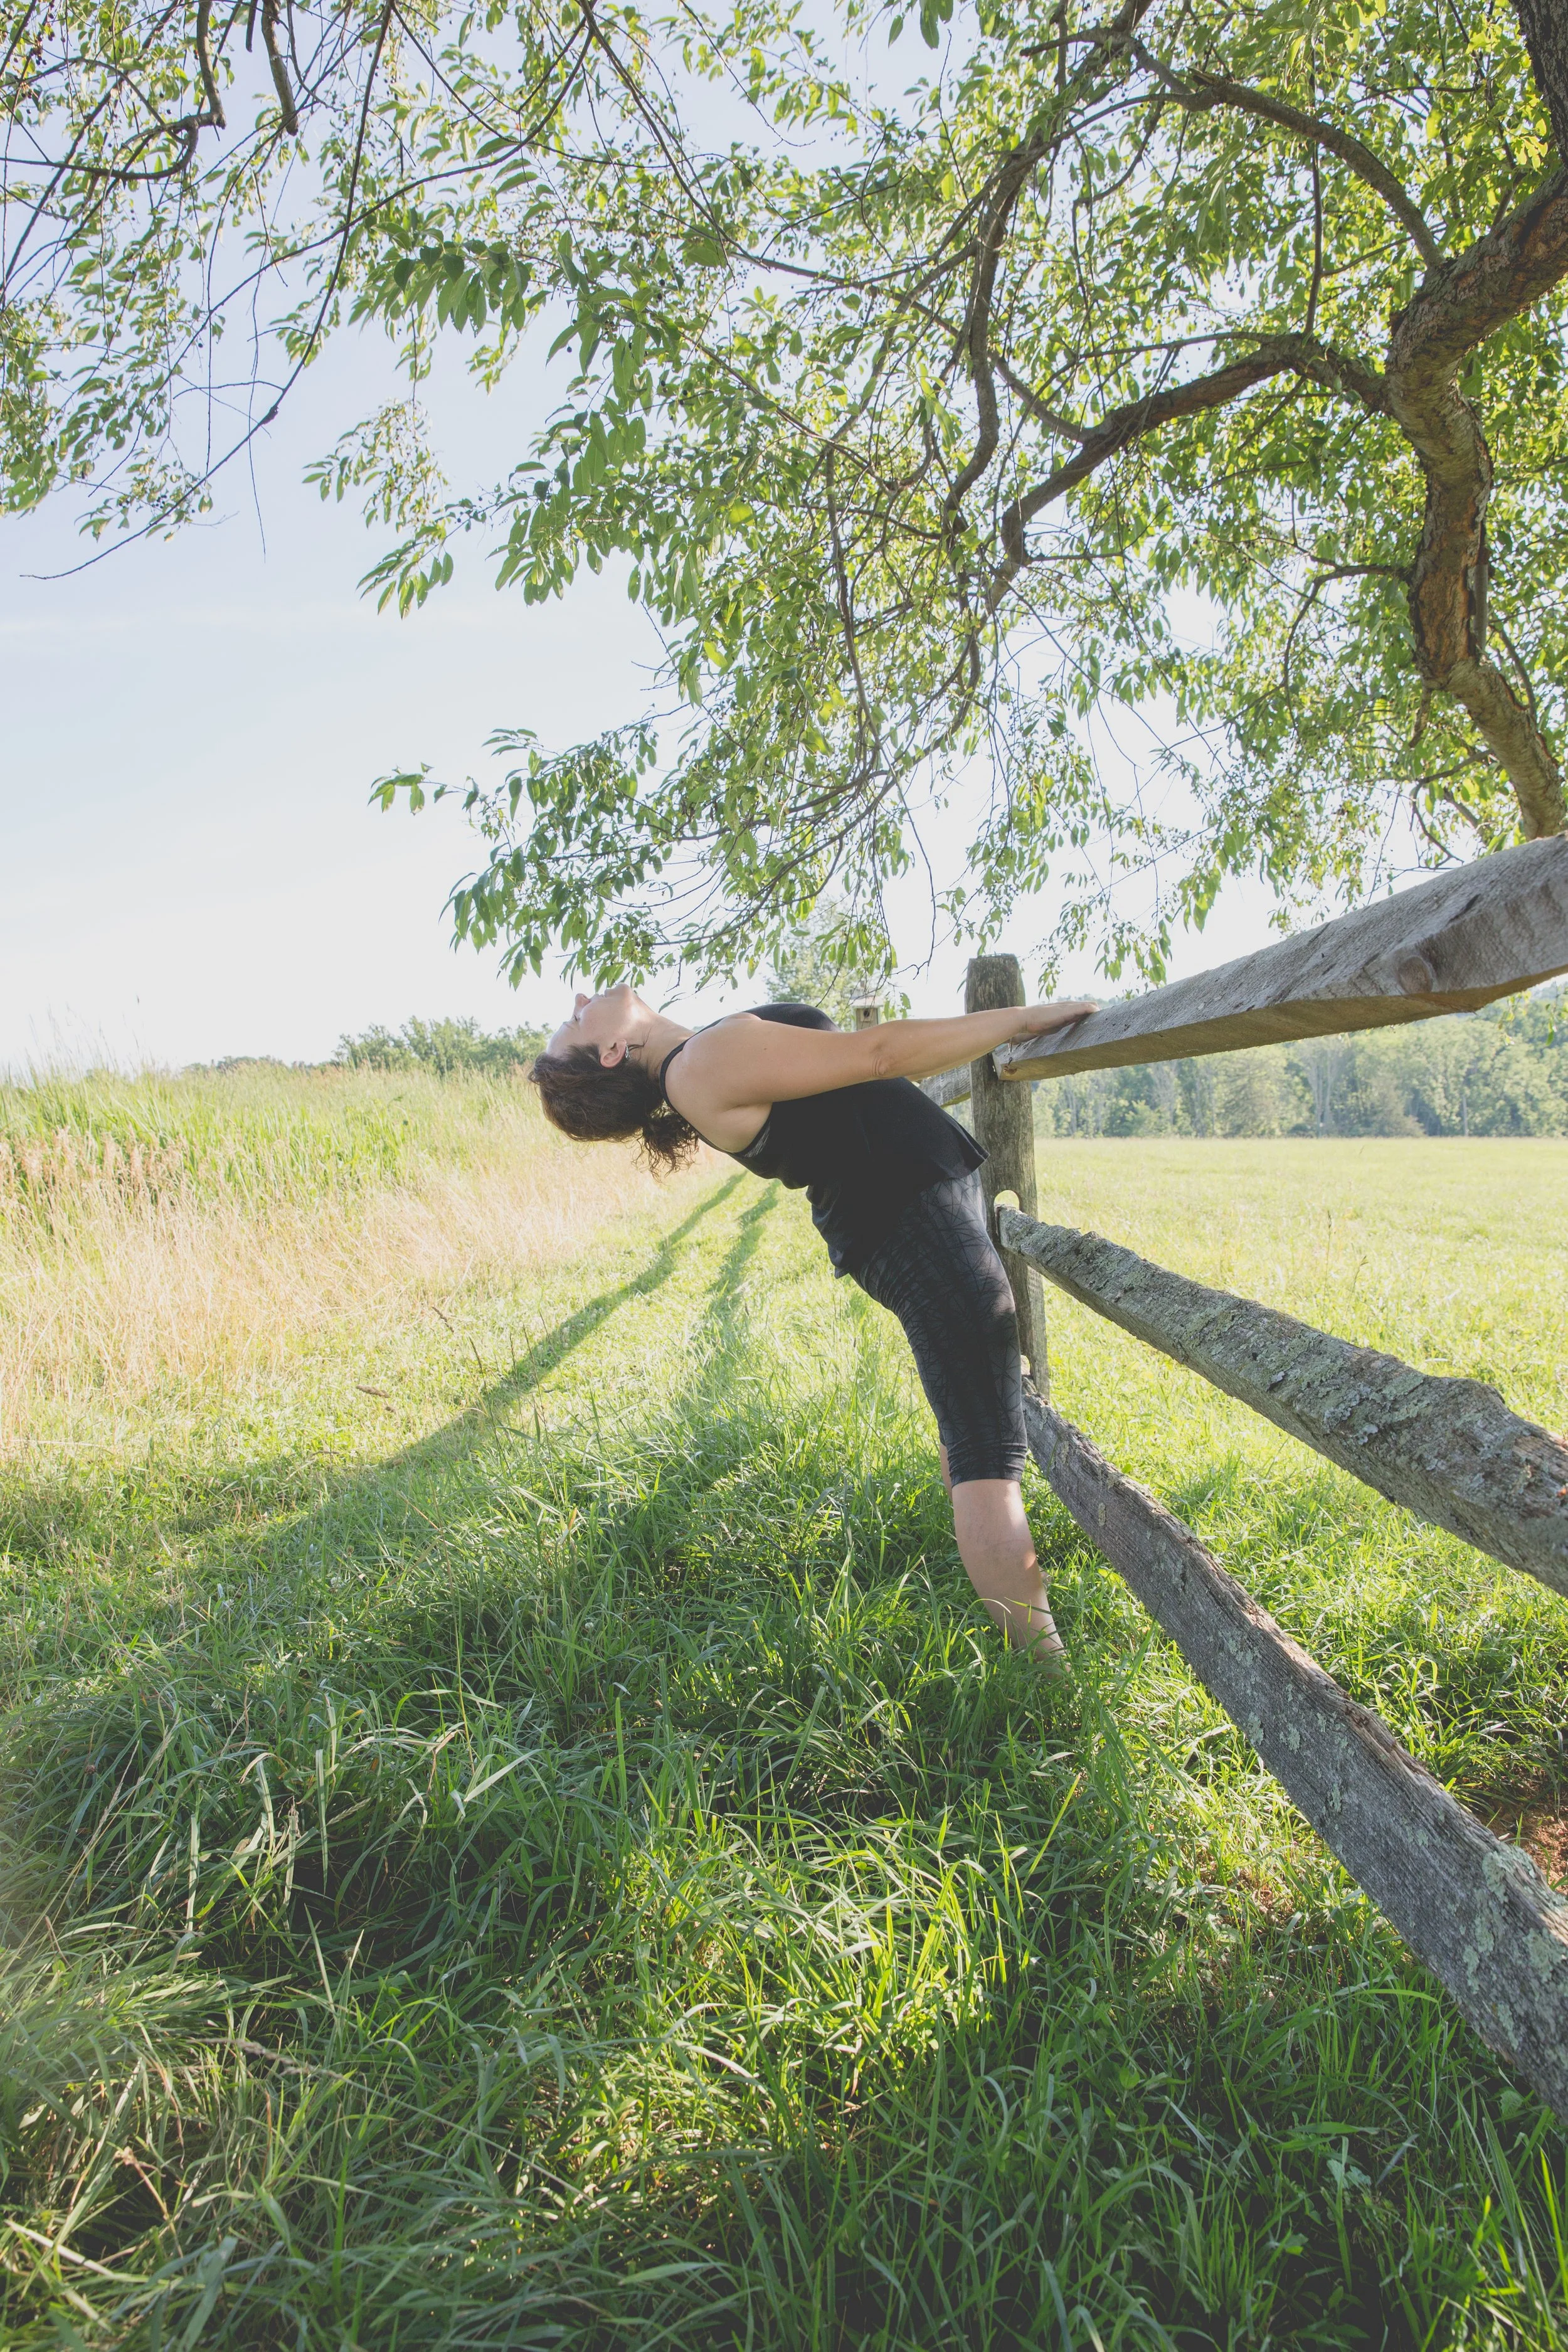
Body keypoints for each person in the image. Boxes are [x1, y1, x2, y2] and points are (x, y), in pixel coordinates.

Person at [532, 985, 1095, 1673]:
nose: (581, 998)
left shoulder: (696, 1059)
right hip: (913, 1223)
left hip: (909, 1215)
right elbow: (878, 1053)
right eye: (576, 1021)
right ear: (612, 1051)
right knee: (987, 1455)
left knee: (972, 1429)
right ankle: (1047, 1675)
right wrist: (1022, 1019)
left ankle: (1032, 1653)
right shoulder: (700, 1065)